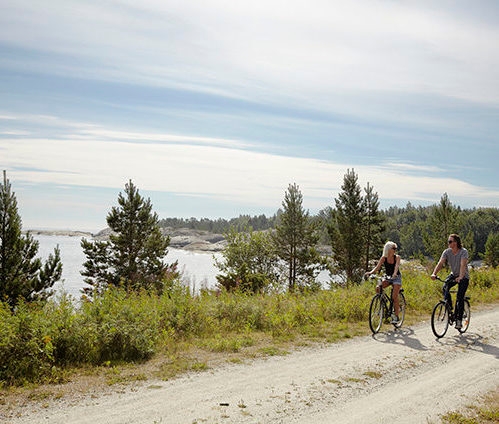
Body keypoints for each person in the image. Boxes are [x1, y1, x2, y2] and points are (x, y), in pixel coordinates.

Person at [431, 233, 469, 329]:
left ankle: (459, 320)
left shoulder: (463, 252)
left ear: (455, 243)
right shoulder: (447, 252)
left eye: (450, 241)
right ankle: (450, 307)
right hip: (453, 275)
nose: (448, 243)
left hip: (463, 276)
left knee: (460, 297)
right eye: (448, 241)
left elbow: (463, 265)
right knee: (445, 287)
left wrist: (460, 277)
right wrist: (434, 273)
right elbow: (440, 263)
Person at [365, 241, 402, 323]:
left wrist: (395, 274)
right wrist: (370, 273)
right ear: (388, 249)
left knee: (394, 296)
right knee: (378, 288)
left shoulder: (397, 257)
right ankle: (383, 301)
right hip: (388, 277)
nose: (395, 250)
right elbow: (377, 267)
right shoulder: (383, 258)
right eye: (393, 248)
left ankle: (396, 316)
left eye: (395, 248)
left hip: (396, 277)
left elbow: (396, 266)